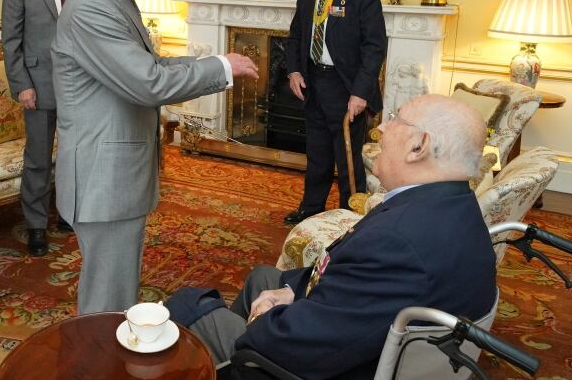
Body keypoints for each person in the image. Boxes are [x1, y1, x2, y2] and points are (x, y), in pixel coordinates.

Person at [169, 94, 497, 379]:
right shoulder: (454, 205)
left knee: (189, 304)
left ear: (418, 145)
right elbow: (352, 288)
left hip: (324, 365)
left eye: (395, 118)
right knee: (266, 279)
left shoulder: (399, 243)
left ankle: (230, 363)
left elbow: (301, 345)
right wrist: (290, 291)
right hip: (360, 334)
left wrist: (264, 322)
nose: (381, 127)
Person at [51, 0, 259, 314]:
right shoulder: (94, 5)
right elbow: (149, 83)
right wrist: (220, 69)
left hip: (113, 177)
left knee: (116, 292)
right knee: (105, 302)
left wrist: (215, 63)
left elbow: (152, 66)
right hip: (102, 179)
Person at [284, 0, 387, 225]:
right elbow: (295, 36)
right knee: (316, 153)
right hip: (313, 84)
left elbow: (374, 47)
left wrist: (361, 92)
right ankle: (311, 209)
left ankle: (351, 215)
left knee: (347, 157)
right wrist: (293, 70)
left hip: (347, 88)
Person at [1, 0, 84, 256]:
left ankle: (67, 213)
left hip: (80, 86)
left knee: (73, 155)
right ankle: (36, 225)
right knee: (38, 158)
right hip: (38, 85)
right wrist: (22, 85)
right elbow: (11, 40)